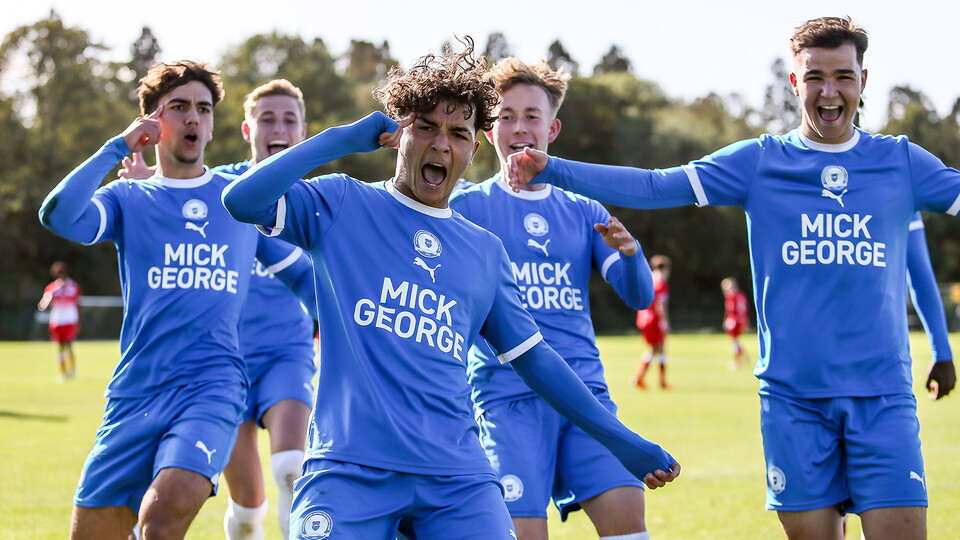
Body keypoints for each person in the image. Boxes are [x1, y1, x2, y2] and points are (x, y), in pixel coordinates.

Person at [504, 16, 958, 540]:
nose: (828, 91)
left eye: (843, 76)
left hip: (882, 398)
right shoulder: (760, 162)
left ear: (863, 81)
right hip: (793, 403)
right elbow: (656, 186)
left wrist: (942, 350)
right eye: (814, 77)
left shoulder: (900, 161)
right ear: (794, 83)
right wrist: (553, 168)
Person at [222, 38, 679, 540]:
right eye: (426, 127)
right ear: (399, 134)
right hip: (349, 470)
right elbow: (243, 199)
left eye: (459, 133)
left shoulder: (483, 250)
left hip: (457, 479)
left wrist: (624, 441)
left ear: (473, 148)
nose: (441, 143)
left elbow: (537, 360)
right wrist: (342, 138)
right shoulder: (341, 204)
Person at [38, 61, 314, 540]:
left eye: (203, 109)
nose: (193, 118)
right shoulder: (129, 198)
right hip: (135, 394)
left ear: (212, 124)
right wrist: (115, 148)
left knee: (163, 519)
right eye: (179, 107)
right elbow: (59, 216)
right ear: (151, 123)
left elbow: (305, 279)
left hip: (213, 387)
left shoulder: (238, 201)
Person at [448, 57, 656, 540]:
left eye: (532, 116)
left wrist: (631, 254)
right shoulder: (466, 208)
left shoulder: (585, 209)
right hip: (507, 399)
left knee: (628, 521)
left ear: (552, 128)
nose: (519, 127)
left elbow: (639, 296)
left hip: (586, 394)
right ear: (489, 128)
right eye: (506, 116)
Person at [121, 79, 316, 540]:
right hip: (223, 362)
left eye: (289, 119)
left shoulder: (324, 199)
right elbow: (175, 191)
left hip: (288, 353)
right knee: (248, 509)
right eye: (267, 118)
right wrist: (154, 187)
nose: (279, 127)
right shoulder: (219, 185)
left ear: (304, 133)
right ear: (248, 130)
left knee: (292, 466)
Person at [906, 212, 954, 399]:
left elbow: (920, 278)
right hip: (809, 374)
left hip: (885, 374)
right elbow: (920, 279)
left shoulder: (901, 186)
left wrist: (941, 352)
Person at [37, 261, 81, 381]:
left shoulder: (73, 286)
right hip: (57, 320)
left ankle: (72, 370)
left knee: (69, 345)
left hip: (69, 319)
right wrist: (44, 303)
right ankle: (63, 372)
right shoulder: (52, 288)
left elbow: (77, 302)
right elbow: (44, 302)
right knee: (60, 347)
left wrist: (78, 321)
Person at [633, 255, 671, 389]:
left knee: (655, 349)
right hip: (654, 320)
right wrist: (665, 322)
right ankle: (655, 381)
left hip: (643, 317)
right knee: (658, 348)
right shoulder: (661, 281)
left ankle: (644, 379)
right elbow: (660, 304)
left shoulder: (648, 278)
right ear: (665, 269)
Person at [721, 276, 750, 370]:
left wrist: (727, 320)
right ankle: (745, 356)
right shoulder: (741, 294)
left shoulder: (731, 295)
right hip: (741, 319)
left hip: (734, 320)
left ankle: (736, 361)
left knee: (734, 342)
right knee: (737, 341)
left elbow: (731, 309)